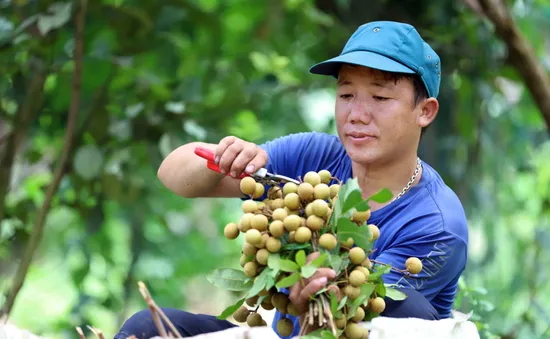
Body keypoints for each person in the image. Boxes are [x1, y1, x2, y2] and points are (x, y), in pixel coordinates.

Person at [114, 21, 468, 339]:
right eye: (346, 95)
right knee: (146, 328)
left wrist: (313, 296)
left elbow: (353, 316)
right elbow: (172, 175)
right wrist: (225, 157)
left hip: (347, 334)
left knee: (398, 309)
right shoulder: (315, 159)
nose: (357, 115)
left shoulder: (437, 225)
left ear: (425, 111)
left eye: (380, 97)